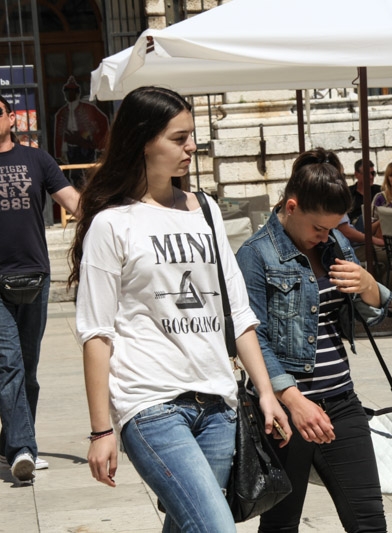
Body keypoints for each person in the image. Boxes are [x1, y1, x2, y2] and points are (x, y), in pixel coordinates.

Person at [70, 86, 290, 532]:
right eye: (178, 137)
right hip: (151, 406)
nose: (191, 146)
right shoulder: (112, 224)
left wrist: (267, 392)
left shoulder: (205, 210)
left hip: (219, 405)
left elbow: (239, 313)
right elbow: (96, 333)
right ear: (143, 140)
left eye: (192, 135)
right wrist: (101, 430)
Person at [236, 148, 391, 533]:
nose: (326, 236)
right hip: (284, 412)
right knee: (281, 525)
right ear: (291, 207)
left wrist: (370, 285)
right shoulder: (256, 255)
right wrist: (294, 401)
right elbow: (252, 337)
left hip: (342, 402)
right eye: (319, 228)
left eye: (332, 227)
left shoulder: (335, 244)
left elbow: (365, 314)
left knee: (370, 523)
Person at [0, 94, 80, 481]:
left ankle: (10, 441)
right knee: (9, 363)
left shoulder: (37, 160)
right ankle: (22, 449)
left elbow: (73, 201)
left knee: (27, 368)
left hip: (35, 276)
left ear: (11, 119)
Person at [53, 75, 109, 188]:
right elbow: (59, 133)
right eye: (67, 92)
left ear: (77, 93)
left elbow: (103, 120)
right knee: (75, 173)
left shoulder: (88, 108)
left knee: (89, 171)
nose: (69, 94)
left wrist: (99, 141)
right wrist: (60, 151)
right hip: (71, 147)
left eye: (72, 92)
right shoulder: (62, 112)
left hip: (86, 145)